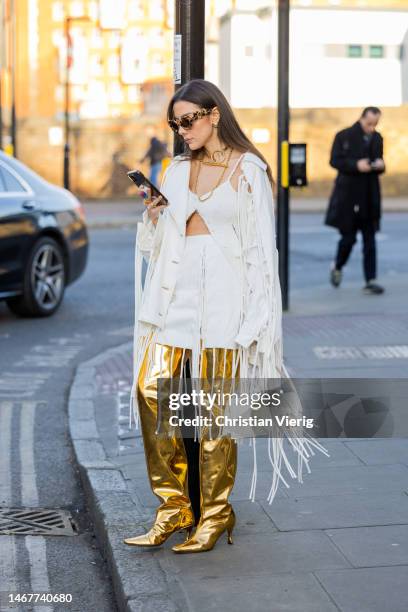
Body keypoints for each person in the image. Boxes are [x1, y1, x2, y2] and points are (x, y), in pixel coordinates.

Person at [124, 79, 329, 554]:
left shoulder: (248, 171)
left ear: (214, 114)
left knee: (216, 416)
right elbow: (162, 246)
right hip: (174, 302)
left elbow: (261, 251)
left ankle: (215, 514)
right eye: (176, 123)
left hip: (224, 305)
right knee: (150, 391)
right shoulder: (174, 171)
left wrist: (258, 322)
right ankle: (174, 507)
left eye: (189, 120)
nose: (182, 130)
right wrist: (154, 215)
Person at [325, 107, 386, 294]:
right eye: (369, 123)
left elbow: (379, 161)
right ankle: (337, 266)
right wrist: (356, 165)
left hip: (369, 196)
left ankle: (370, 280)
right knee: (348, 239)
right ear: (362, 118)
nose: (372, 128)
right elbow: (334, 161)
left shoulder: (377, 138)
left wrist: (381, 165)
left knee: (370, 240)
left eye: (375, 124)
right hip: (348, 197)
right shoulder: (343, 135)